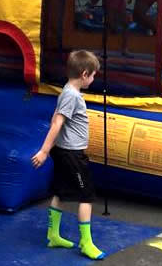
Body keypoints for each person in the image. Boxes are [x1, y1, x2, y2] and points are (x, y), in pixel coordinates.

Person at [31, 50, 106, 261]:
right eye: (93, 75)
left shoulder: (68, 91)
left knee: (61, 193)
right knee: (86, 196)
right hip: (72, 155)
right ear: (84, 74)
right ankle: (86, 243)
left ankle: (53, 235)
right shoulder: (71, 96)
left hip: (65, 151)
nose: (93, 79)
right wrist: (44, 151)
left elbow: (56, 117)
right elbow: (57, 123)